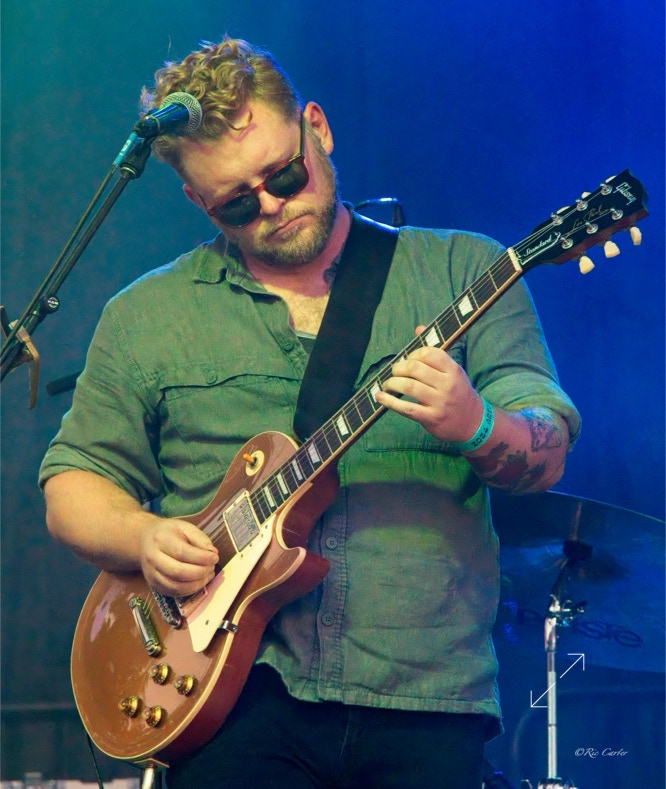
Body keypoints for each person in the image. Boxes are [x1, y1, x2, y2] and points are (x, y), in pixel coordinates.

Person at [40, 37, 580, 789]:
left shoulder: (462, 270)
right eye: (237, 202)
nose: (271, 205)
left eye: (284, 175)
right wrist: (144, 536)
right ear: (197, 201)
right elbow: (73, 485)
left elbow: (546, 454)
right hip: (231, 701)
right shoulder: (146, 315)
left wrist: (477, 423)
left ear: (317, 129)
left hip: (426, 697)